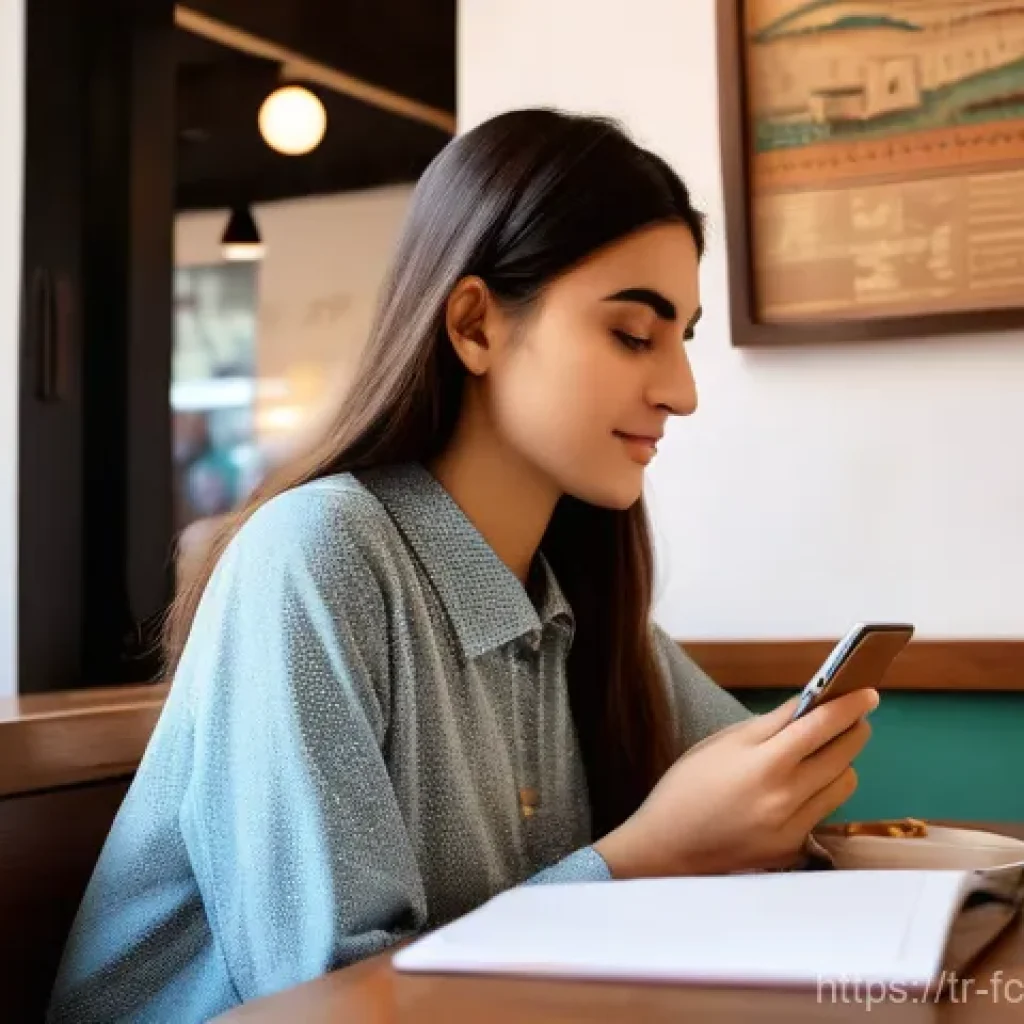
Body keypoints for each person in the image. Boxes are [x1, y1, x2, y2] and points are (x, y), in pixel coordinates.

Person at [47, 108, 876, 1023]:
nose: (680, 390)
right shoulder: (315, 558)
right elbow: (324, 1002)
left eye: (683, 338)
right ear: (476, 325)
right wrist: (647, 854)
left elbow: (738, 801)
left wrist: (777, 798)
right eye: (636, 336)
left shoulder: (579, 606)